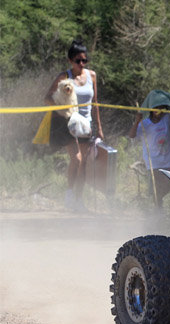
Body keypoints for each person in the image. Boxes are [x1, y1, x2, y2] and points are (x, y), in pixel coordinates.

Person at [44, 39, 103, 210]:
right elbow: (47, 97)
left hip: (86, 124)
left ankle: (79, 199)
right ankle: (69, 195)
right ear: (71, 60)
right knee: (76, 160)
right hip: (69, 123)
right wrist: (62, 109)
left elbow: (96, 102)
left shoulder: (92, 76)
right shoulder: (65, 77)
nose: (82, 64)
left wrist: (99, 127)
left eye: (85, 60)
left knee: (84, 163)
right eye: (78, 60)